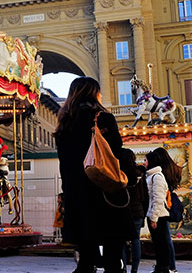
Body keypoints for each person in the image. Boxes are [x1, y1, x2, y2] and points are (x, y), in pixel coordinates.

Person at [54, 76, 134, 273]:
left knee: (85, 254)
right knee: (112, 251)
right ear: (94, 94)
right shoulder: (103, 118)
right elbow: (115, 150)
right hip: (103, 188)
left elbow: (64, 163)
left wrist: (68, 190)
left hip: (77, 191)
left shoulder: (65, 123)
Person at [145, 147, 182, 273]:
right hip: (161, 209)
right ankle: (167, 266)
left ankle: (166, 267)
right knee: (164, 241)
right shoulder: (167, 171)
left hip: (160, 211)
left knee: (163, 241)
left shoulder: (158, 176)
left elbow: (158, 197)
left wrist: (153, 217)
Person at [120, 148, 149, 273]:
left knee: (121, 241)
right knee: (136, 239)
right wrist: (144, 212)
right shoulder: (140, 174)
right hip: (138, 211)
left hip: (123, 211)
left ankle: (123, 268)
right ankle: (135, 269)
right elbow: (145, 196)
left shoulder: (120, 174)